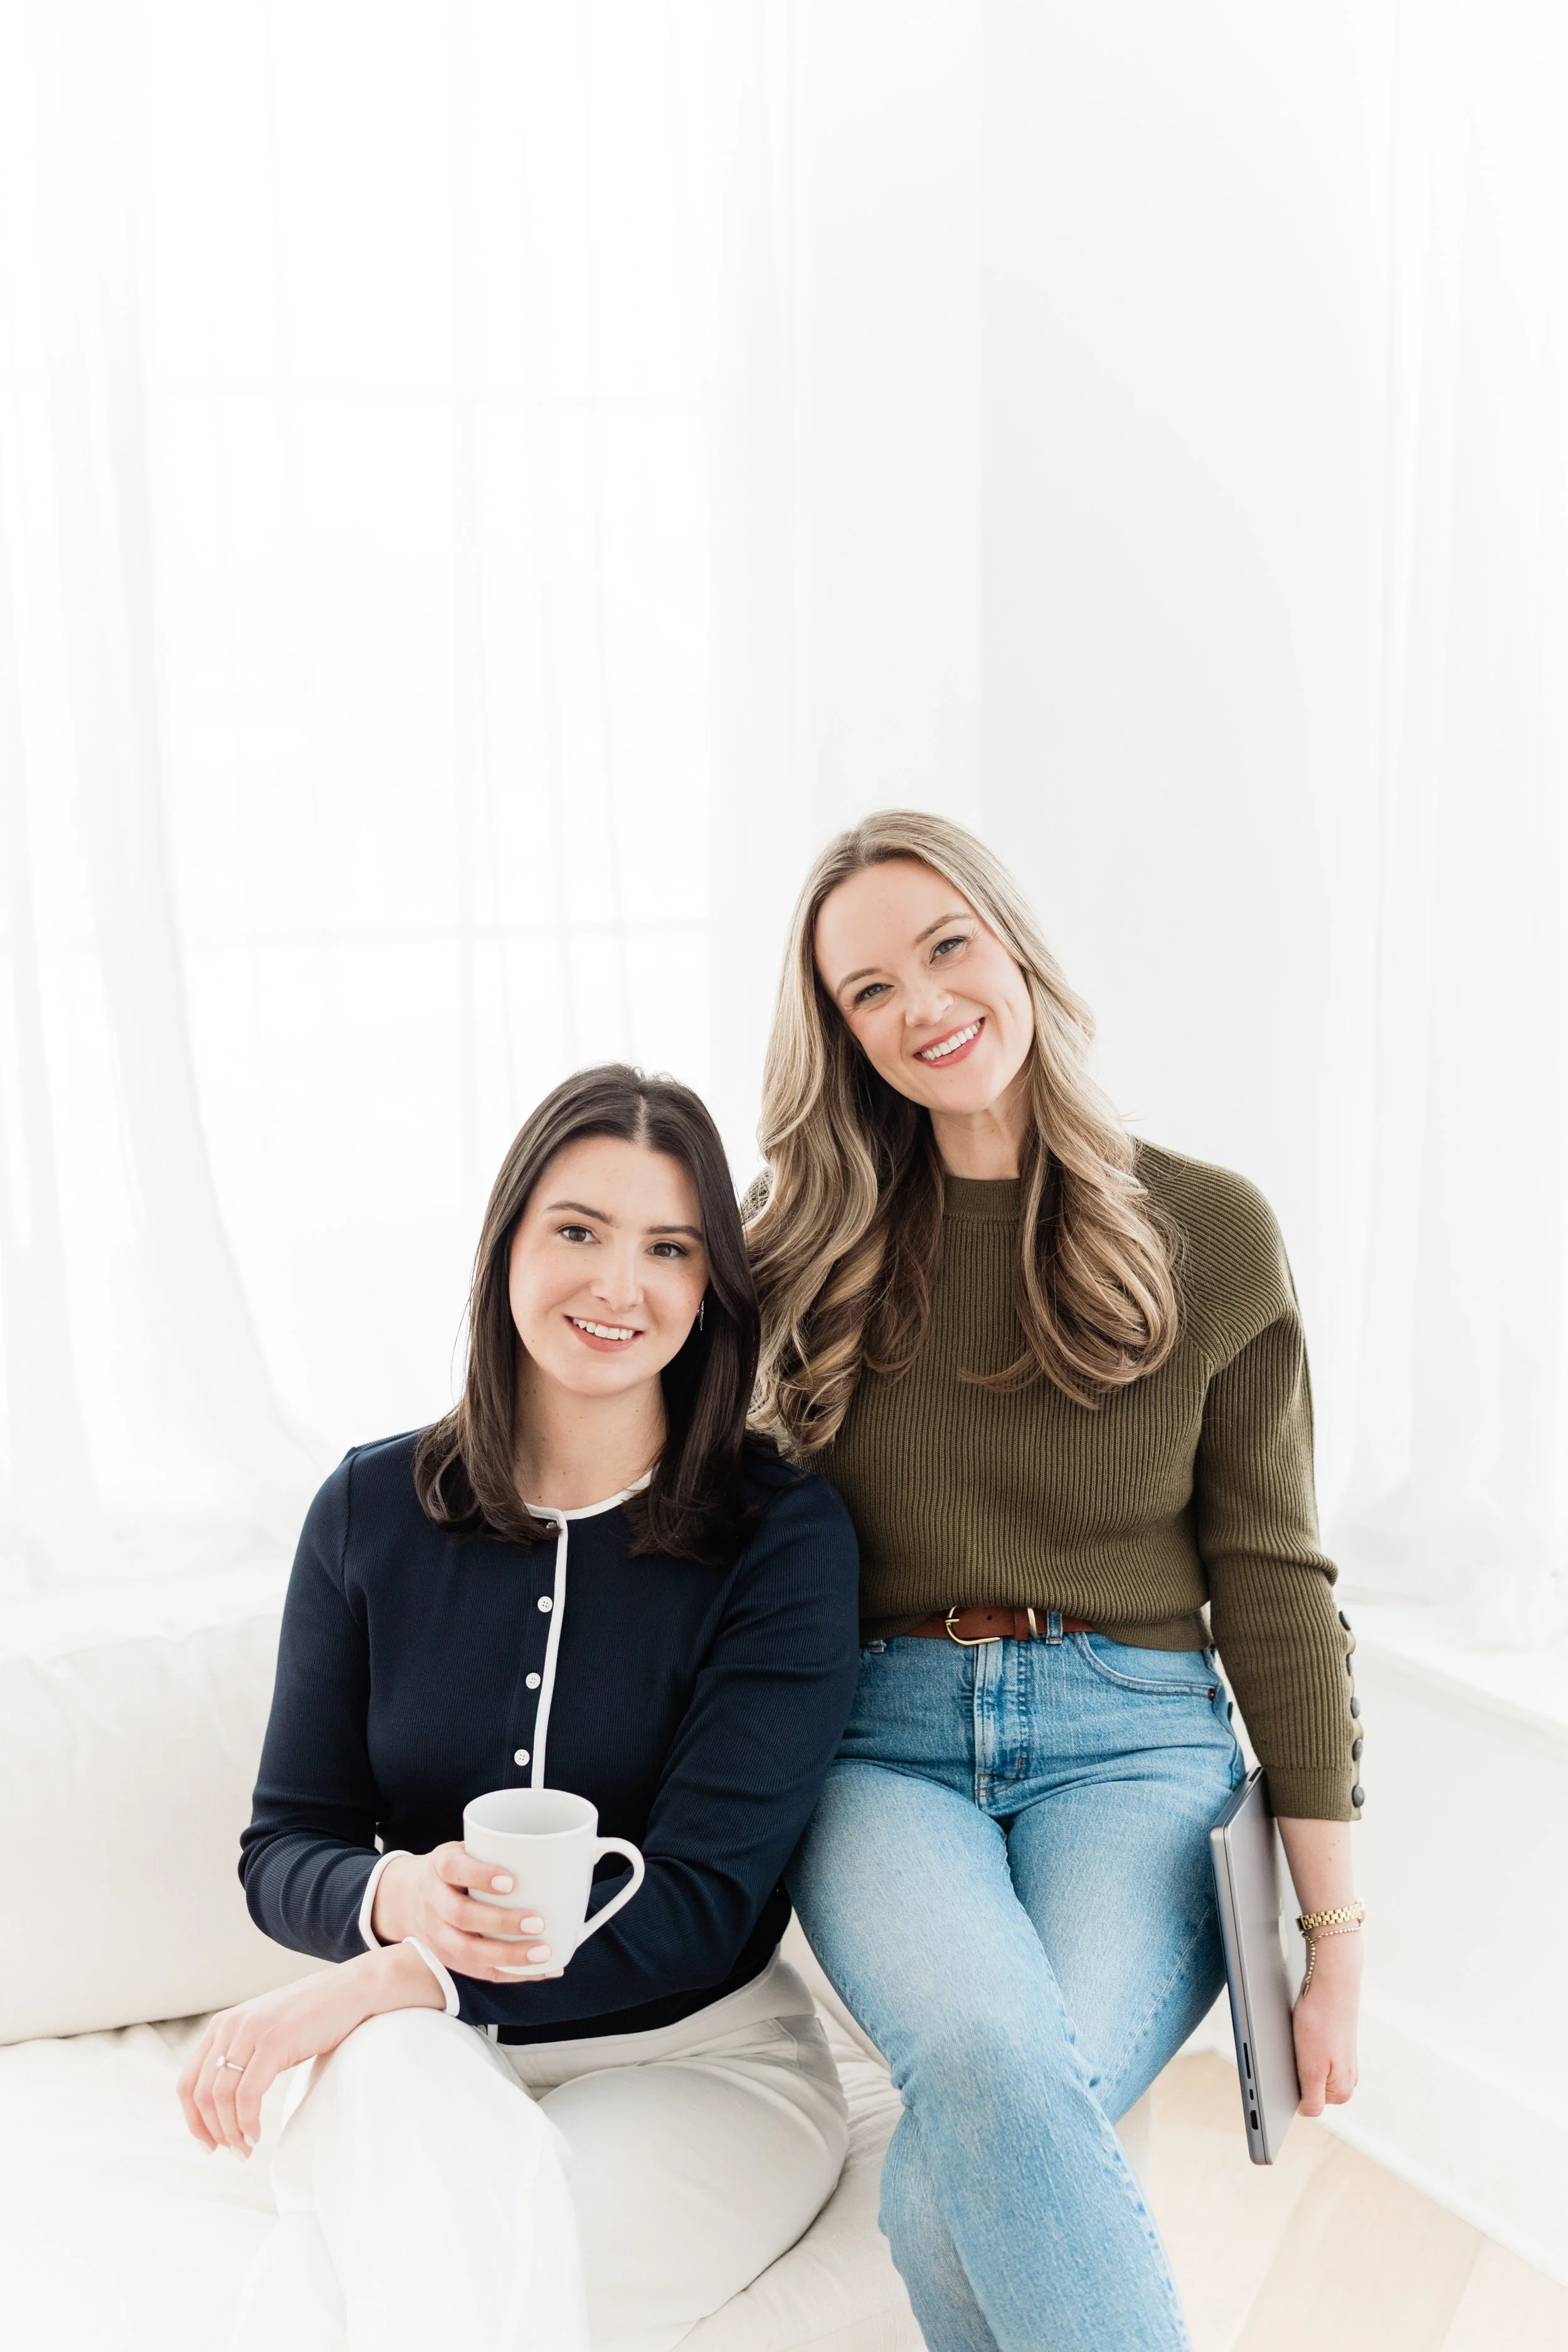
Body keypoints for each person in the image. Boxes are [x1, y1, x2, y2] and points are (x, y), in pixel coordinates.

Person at [744, 812, 1364, 2352]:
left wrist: (1332, 1944)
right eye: (866, 990)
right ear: (836, 1035)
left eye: (944, 948)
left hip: (1137, 1743)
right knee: (983, 2060)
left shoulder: (1209, 1232)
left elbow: (1274, 1587)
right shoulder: (798, 1258)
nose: (921, 1005)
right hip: (883, 1749)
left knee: (951, 2178)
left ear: (1014, 946)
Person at [177, 1064, 861, 2352]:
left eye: (668, 1248)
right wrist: (391, 1905)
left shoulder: (782, 1536)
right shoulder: (367, 1512)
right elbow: (287, 1846)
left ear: (707, 1287)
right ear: (506, 1246)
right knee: (416, 2162)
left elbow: (702, 1902)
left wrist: (371, 1984)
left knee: (427, 2285)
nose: (618, 1286)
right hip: (417, 2061)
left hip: (695, 2065)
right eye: (578, 1231)